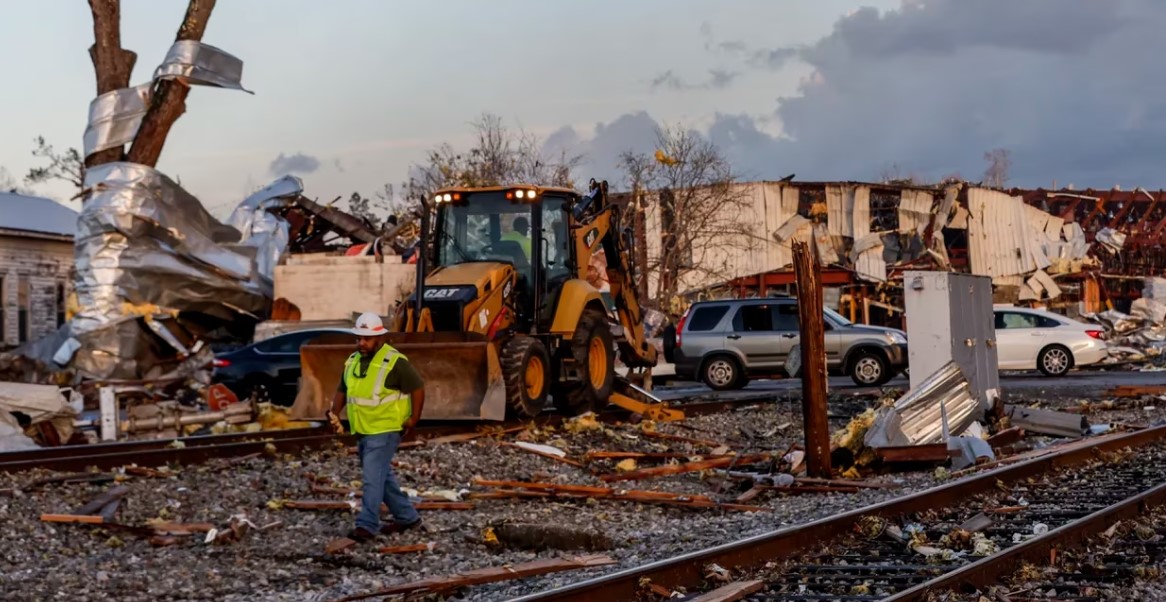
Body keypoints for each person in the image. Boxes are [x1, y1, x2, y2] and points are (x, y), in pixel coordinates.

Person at [326, 312, 426, 541]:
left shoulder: (394, 362)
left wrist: (413, 419)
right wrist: (334, 413)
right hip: (363, 430)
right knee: (382, 476)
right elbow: (343, 389)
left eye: (366, 339)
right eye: (359, 338)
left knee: (372, 478)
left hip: (385, 430)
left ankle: (367, 525)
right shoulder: (352, 360)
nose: (361, 343)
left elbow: (418, 388)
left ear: (379, 338)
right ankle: (407, 517)